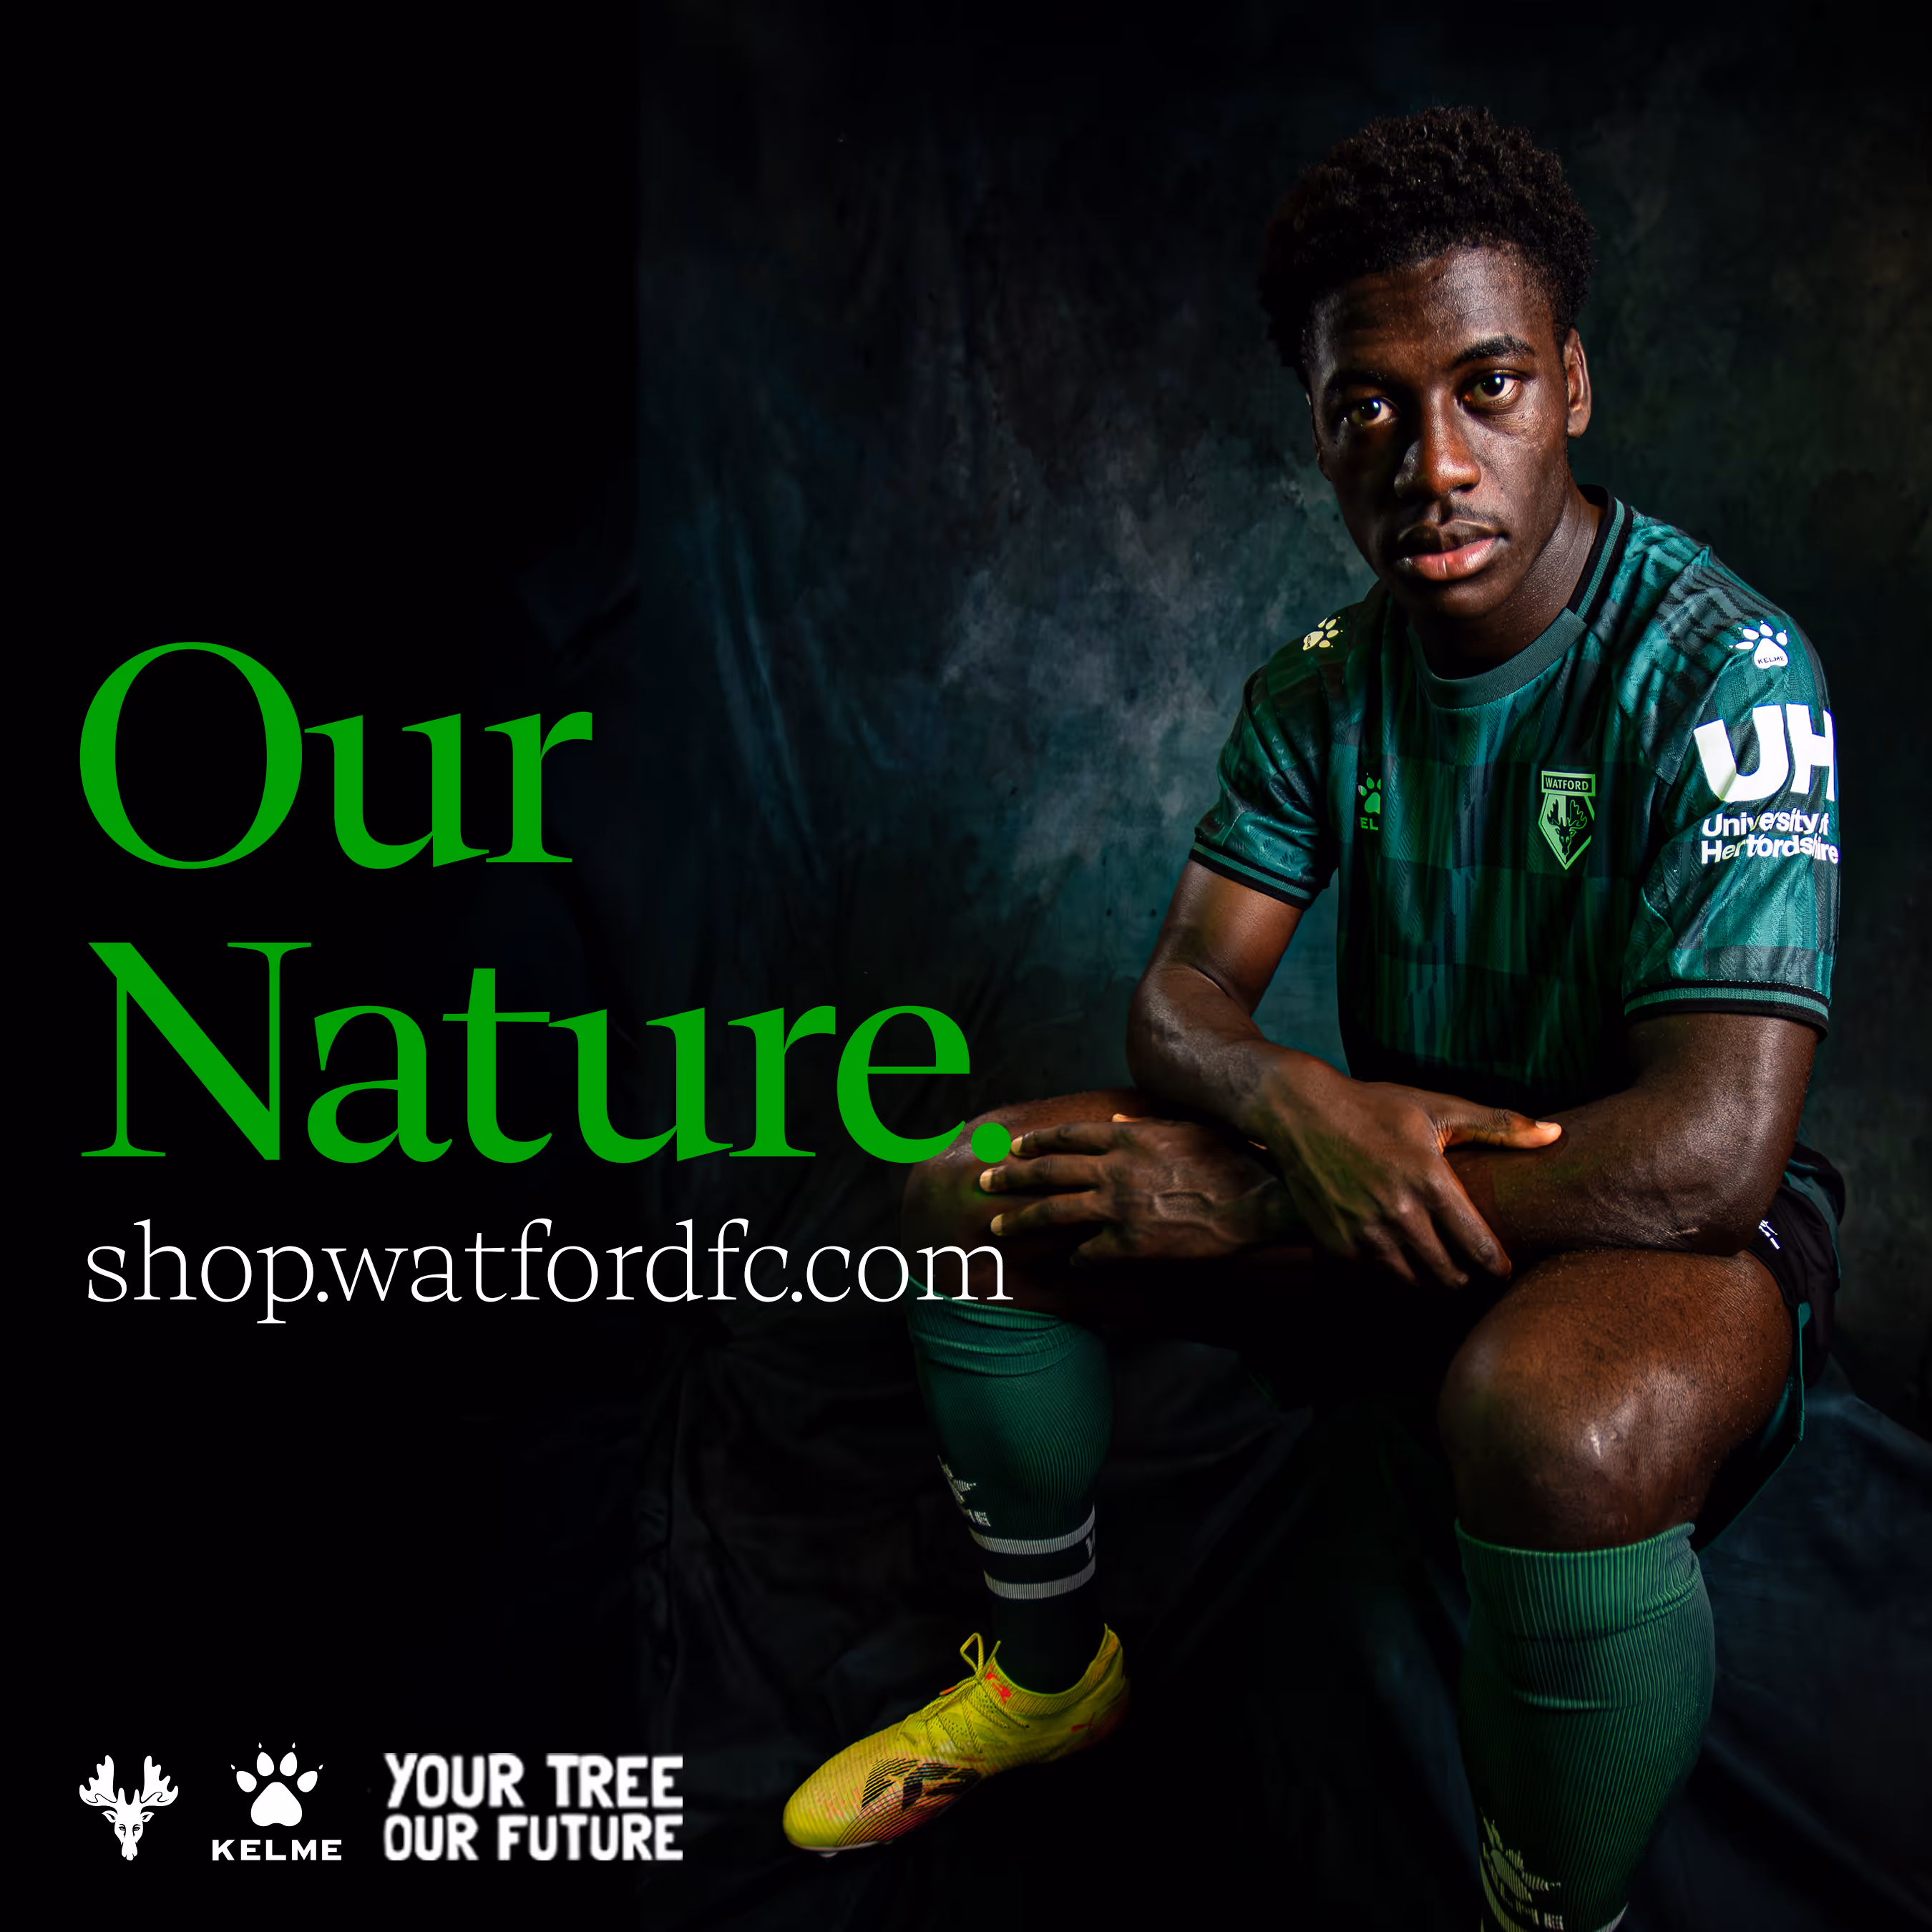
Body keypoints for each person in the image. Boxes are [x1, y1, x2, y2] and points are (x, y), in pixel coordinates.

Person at [783, 105, 1844, 1932]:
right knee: (970, 1195)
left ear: (1572, 386)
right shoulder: (1323, 686)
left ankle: (1550, 1905)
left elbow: (1711, 1148)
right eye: (1371, 407)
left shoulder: (1723, 670)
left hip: (1658, 1238)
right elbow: (1182, 1003)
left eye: (1490, 386)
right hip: (1388, 1179)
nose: (1433, 461)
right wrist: (1291, 1105)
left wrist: (1265, 1192)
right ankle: (1052, 1677)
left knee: (1552, 1419)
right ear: (1319, 427)